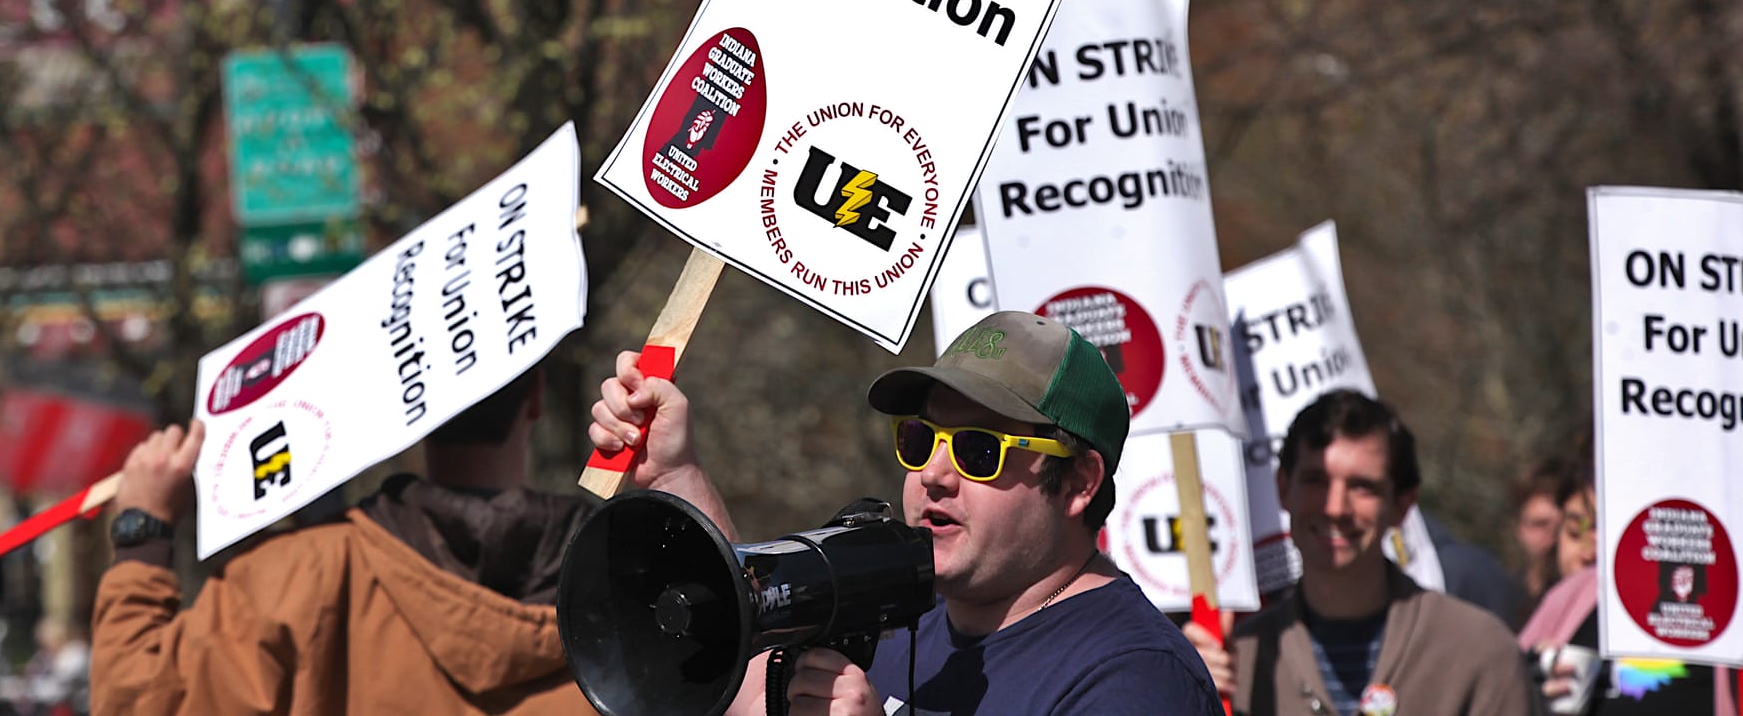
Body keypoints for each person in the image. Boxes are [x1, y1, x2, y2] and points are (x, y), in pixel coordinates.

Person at [589, 310, 1224, 715]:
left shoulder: (1134, 679)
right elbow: (749, 676)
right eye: (920, 439)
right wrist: (675, 473)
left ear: (1078, 482)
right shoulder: (896, 604)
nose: (932, 474)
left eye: (979, 450)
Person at [89, 369, 598, 715]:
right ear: (536, 397)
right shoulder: (627, 598)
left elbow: (140, 699)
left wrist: (144, 532)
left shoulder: (294, 579)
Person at [1188, 390, 1540, 715]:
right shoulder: (1239, 662)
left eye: (1361, 487)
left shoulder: (1479, 653)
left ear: (1402, 505)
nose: (1335, 507)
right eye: (1316, 481)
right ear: (1283, 488)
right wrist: (1185, 688)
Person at [1519, 439, 1724, 714]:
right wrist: (1525, 686)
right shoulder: (1575, 594)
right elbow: (1501, 691)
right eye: (1575, 530)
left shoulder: (1724, 606)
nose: (1589, 549)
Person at [1512, 457, 1567, 613]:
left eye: (1562, 525)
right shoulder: (1504, 595)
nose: (1552, 535)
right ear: (1520, 528)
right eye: (1540, 524)